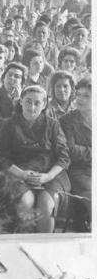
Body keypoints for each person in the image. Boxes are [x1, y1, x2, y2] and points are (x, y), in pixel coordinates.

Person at [0, 85, 71, 233]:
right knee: (26, 201)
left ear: (44, 105)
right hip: (17, 173)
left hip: (51, 174)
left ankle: (45, 251)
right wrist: (22, 174)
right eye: (28, 101)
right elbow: (0, 158)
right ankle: (24, 245)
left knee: (46, 204)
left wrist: (47, 176)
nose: (32, 107)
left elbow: (63, 157)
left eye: (37, 103)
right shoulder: (9, 124)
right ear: (21, 101)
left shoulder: (53, 125)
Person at [59, 78, 91, 232]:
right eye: (78, 95)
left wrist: (85, 150)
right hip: (78, 171)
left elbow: (80, 150)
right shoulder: (67, 120)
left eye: (86, 96)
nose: (80, 99)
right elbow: (71, 150)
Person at [0, 62, 26, 136]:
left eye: (17, 76)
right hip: (1, 138)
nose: (12, 78)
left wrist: (18, 100)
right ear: (3, 78)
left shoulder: (26, 99)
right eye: (9, 75)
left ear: (22, 83)